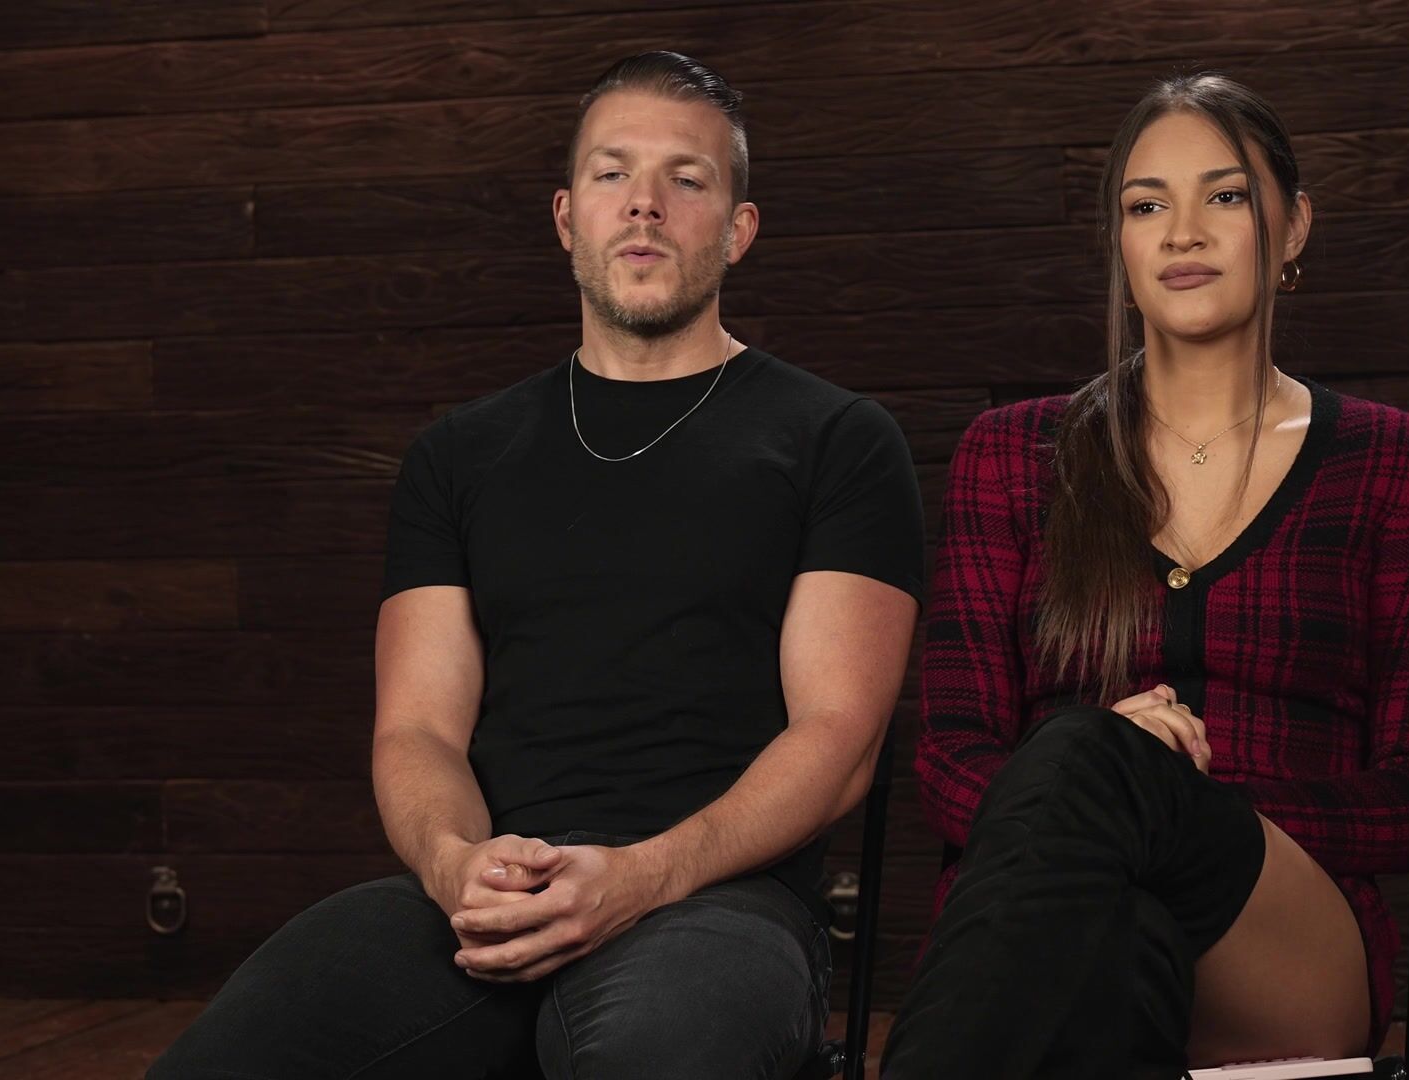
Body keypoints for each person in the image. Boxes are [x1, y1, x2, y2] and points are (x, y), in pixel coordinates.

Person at [149, 51, 923, 1080]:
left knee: (649, 1059)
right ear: (567, 217)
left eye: (686, 178)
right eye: (612, 172)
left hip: (716, 901)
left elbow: (838, 739)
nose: (644, 204)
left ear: (738, 229)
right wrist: (454, 864)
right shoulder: (458, 456)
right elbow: (418, 729)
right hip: (489, 891)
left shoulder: (837, 440)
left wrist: (644, 875)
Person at [880, 71, 1409, 1078]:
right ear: (1119, 244)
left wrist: (1158, 796)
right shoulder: (1010, 454)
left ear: (1293, 229)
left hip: (1286, 934)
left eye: (1226, 196)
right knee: (1114, 933)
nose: (1183, 233)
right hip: (1061, 921)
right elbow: (948, 760)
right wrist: (1101, 798)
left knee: (1089, 758)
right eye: (1146, 206)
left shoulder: (1396, 464)